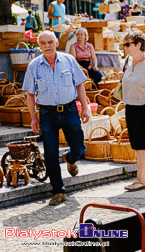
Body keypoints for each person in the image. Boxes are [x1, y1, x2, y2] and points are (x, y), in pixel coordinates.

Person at [23, 31, 90, 206]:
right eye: (43, 43)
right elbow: (30, 94)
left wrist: (85, 108)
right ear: (39, 46)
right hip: (47, 114)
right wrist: (33, 118)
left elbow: (79, 84)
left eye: (50, 41)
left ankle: (71, 158)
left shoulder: (68, 60)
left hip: (69, 110)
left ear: (56, 43)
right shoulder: (34, 66)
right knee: (50, 153)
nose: (47, 45)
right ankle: (58, 190)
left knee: (79, 147)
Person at [120, 29, 145, 191]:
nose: (125, 47)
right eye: (124, 44)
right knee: (135, 142)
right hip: (131, 106)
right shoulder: (128, 61)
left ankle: (141, 179)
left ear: (139, 44)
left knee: (142, 143)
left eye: (128, 44)